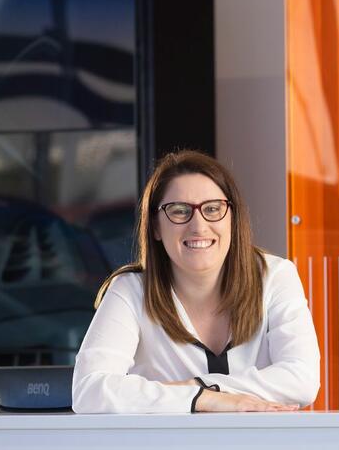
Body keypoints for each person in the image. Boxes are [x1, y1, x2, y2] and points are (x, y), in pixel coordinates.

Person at [72, 150, 319, 412]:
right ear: (155, 226)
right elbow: (88, 390)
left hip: (261, 449)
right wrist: (204, 398)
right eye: (179, 211)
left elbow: (302, 379)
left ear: (232, 219)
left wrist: (199, 385)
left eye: (213, 209)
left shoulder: (276, 276)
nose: (199, 226)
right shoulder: (130, 290)